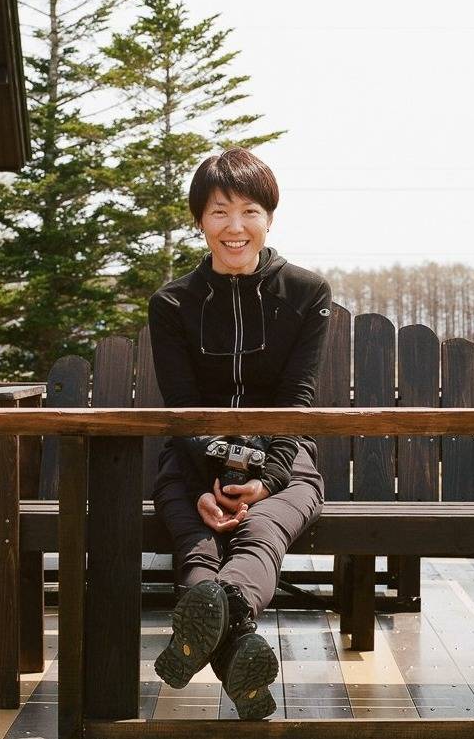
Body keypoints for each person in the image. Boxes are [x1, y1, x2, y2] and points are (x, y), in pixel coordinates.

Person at [147, 147, 332, 720]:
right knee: (195, 531)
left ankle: (216, 607)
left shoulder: (306, 294)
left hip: (283, 452)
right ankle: (236, 637)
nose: (235, 227)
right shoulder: (173, 303)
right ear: (200, 221)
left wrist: (266, 478)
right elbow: (182, 409)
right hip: (191, 457)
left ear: (269, 218)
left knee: (264, 525)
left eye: (249, 211)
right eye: (219, 212)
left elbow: (294, 402)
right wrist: (207, 480)